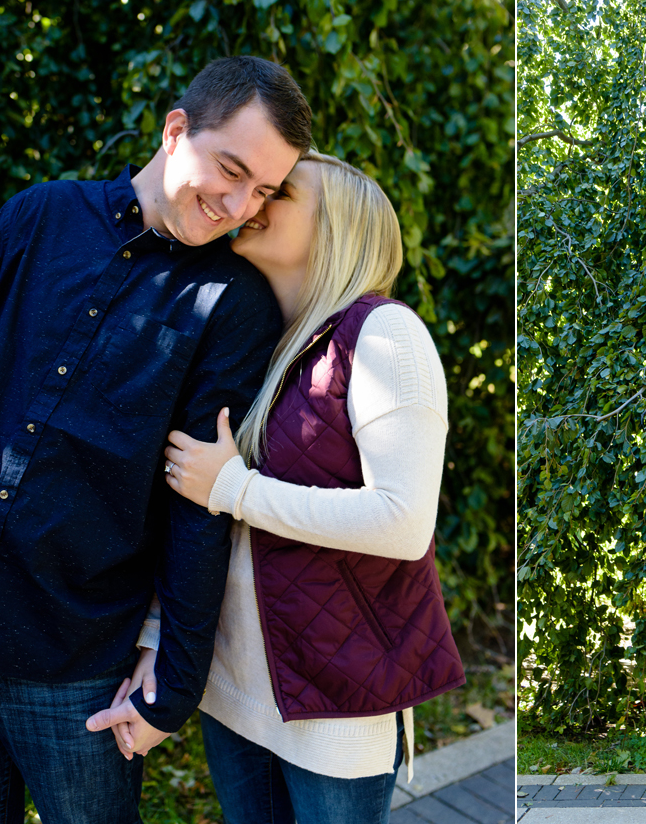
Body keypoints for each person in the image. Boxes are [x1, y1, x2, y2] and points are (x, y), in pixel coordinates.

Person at [0, 56, 308, 821]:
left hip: (76, 668)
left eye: (264, 191)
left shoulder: (232, 306)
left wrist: (171, 684)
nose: (239, 205)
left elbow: (197, 504)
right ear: (176, 130)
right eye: (231, 169)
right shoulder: (37, 217)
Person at [150, 152, 466, 823]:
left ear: (337, 226)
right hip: (234, 694)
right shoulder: (262, 343)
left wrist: (235, 487)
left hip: (337, 707)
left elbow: (403, 521)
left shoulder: (384, 335)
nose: (251, 200)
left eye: (279, 192)